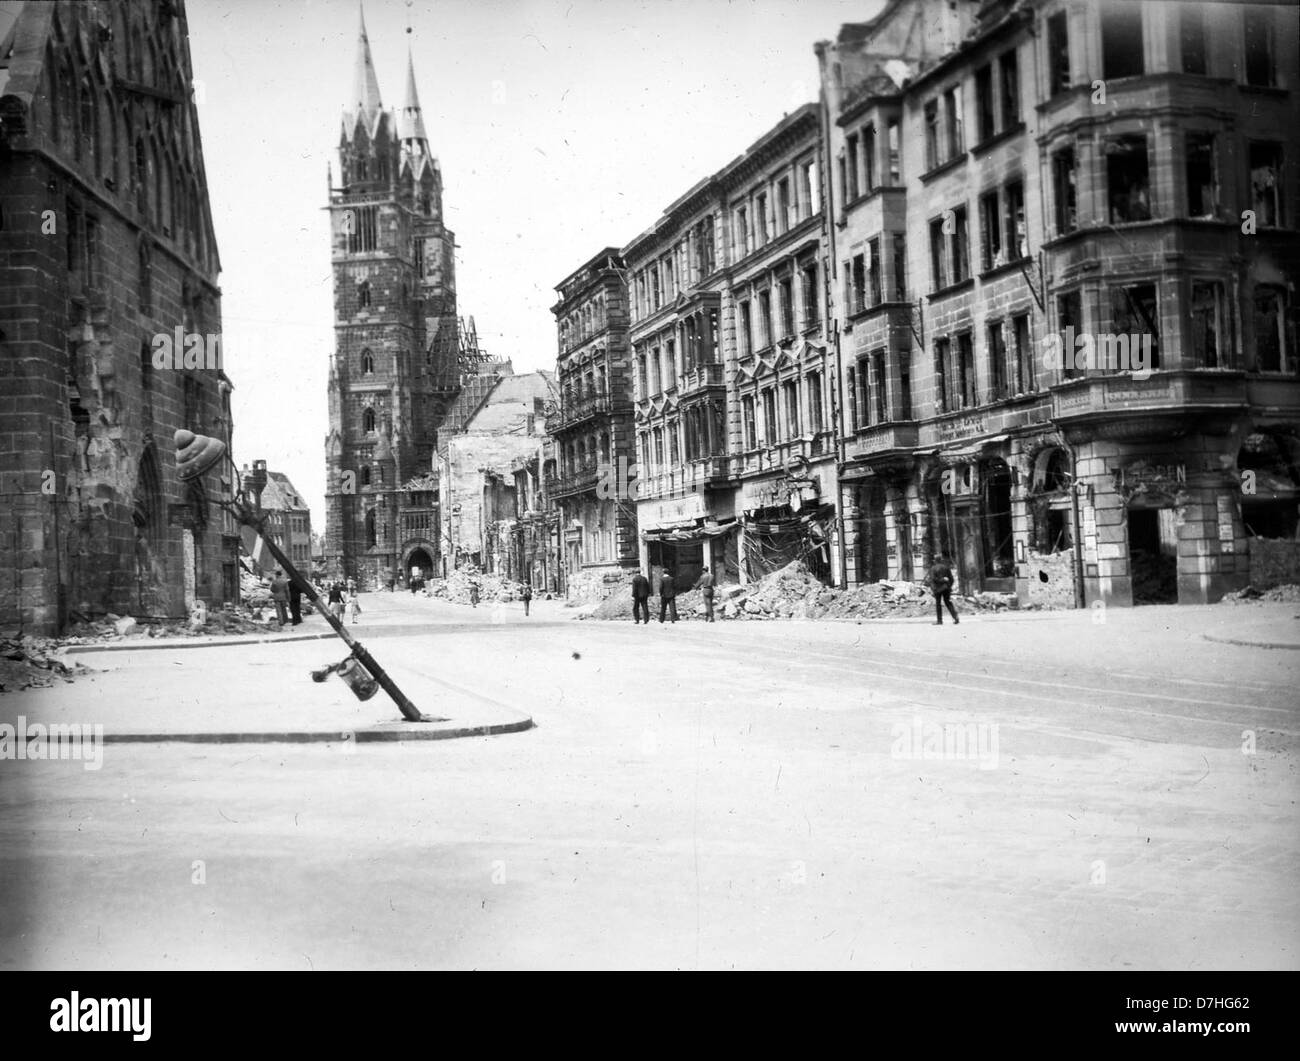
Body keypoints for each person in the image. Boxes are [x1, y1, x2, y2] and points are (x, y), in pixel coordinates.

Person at [927, 554, 959, 625]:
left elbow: (933, 579)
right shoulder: (946, 568)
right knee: (948, 602)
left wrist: (933, 588)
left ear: (934, 561)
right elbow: (951, 579)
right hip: (946, 588)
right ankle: (955, 617)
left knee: (938, 604)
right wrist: (949, 586)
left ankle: (939, 620)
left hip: (938, 588)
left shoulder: (933, 569)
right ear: (941, 560)